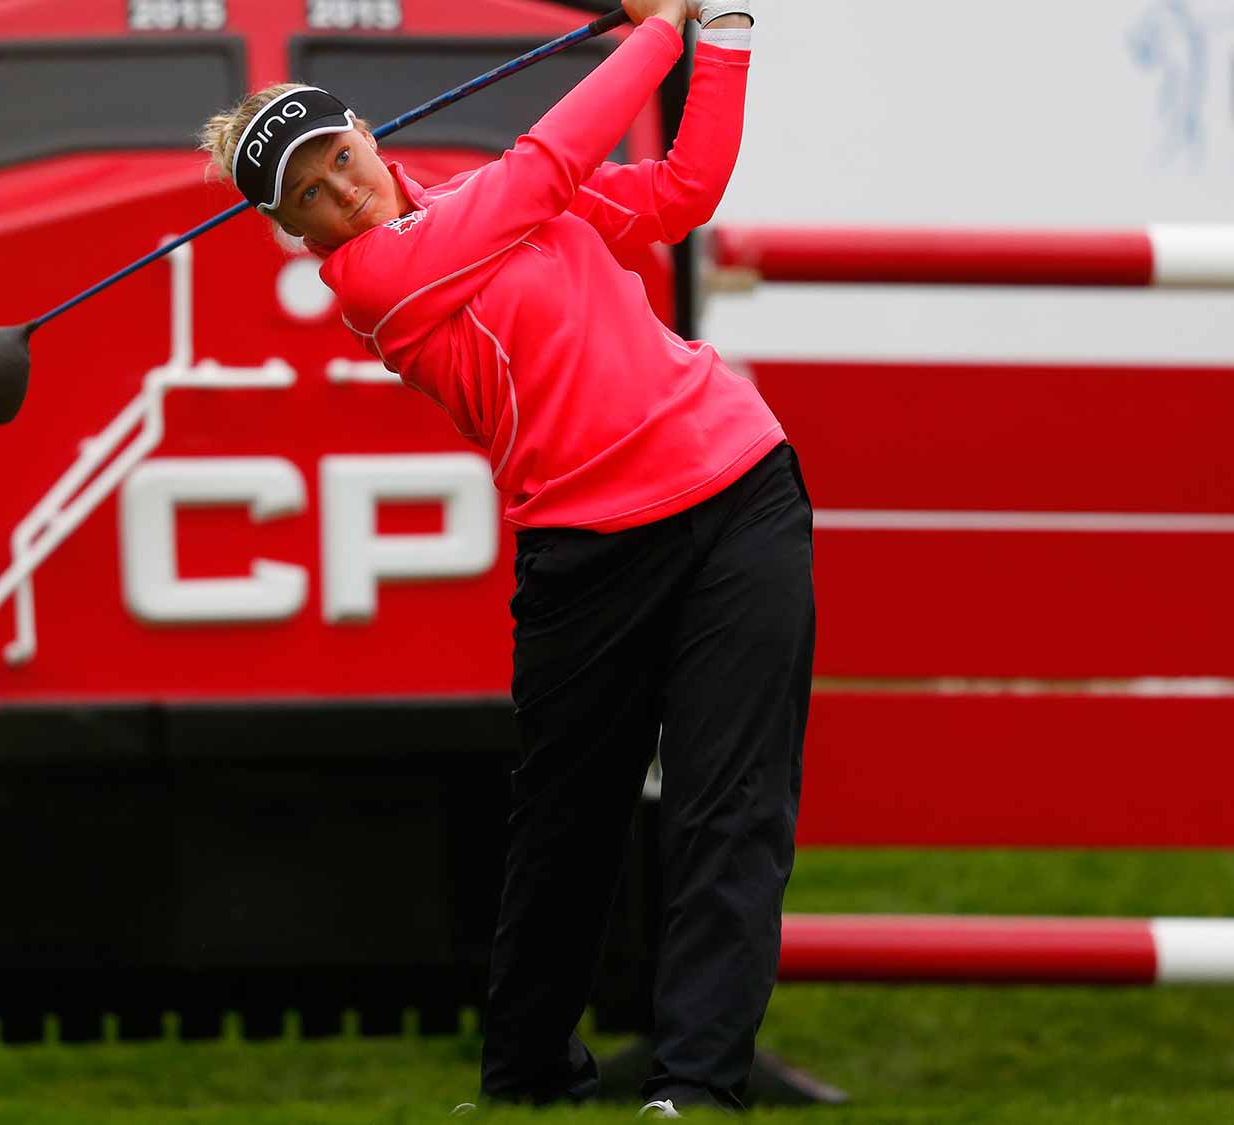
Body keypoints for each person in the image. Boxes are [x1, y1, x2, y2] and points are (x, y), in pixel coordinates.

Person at [199, 0, 807, 1116]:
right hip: (588, 553)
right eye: (308, 198)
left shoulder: (475, 201)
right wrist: (656, 33)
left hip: (737, 493)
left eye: (337, 158)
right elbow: (539, 171)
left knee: (731, 807)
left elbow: (675, 197)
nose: (340, 192)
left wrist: (720, 31)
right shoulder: (376, 286)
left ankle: (696, 1091)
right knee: (566, 835)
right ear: (296, 234)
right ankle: (527, 1081)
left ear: (366, 135)